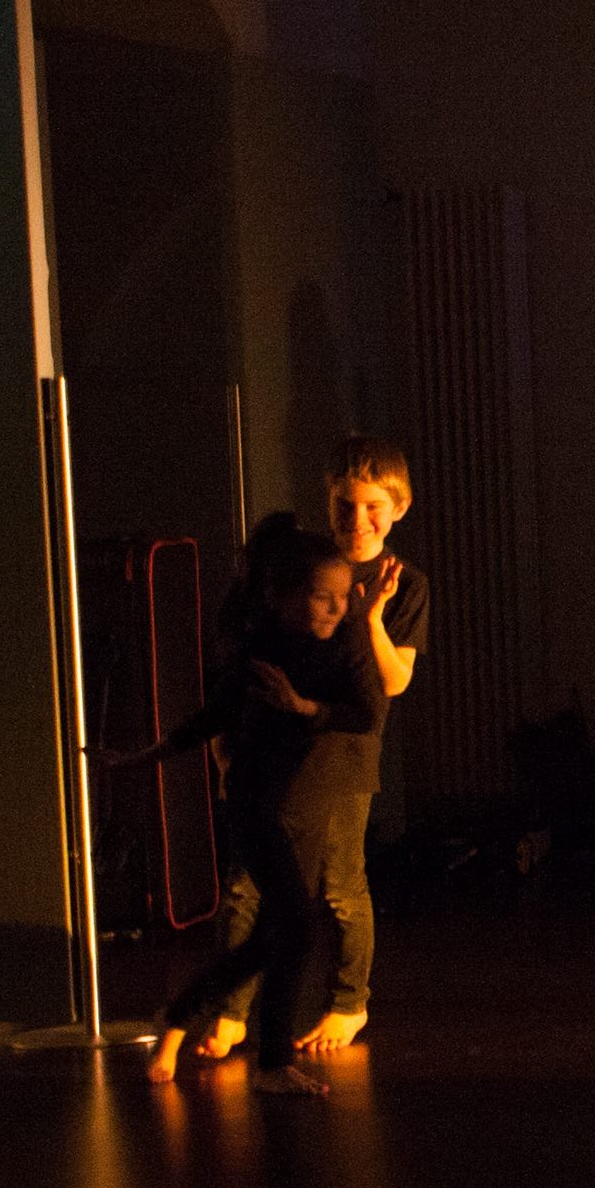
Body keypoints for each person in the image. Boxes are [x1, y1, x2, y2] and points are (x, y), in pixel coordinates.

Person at [189, 439, 426, 1059]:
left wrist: (369, 618)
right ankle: (231, 1012)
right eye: (345, 505)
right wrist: (228, 740)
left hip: (342, 759)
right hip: (274, 751)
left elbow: (393, 681)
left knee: (341, 886)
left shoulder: (405, 585)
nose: (357, 519)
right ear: (329, 503)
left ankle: (349, 1002)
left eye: (372, 507)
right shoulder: (304, 565)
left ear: (398, 509)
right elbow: (249, 641)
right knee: (247, 886)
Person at [144, 525, 372, 1078]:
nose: (337, 608)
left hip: (295, 805)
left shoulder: (339, 647)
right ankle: (266, 1061)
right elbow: (213, 715)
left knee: (277, 934)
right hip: (254, 805)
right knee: (292, 927)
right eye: (322, 597)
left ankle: (184, 1022)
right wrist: (146, 755)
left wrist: (305, 707)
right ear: (284, 596)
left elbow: (365, 713)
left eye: (344, 597)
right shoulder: (259, 651)